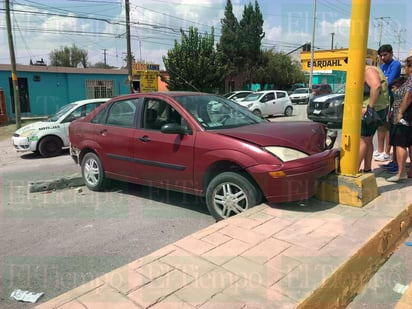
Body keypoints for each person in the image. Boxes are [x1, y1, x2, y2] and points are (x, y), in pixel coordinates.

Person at [359, 65, 390, 172]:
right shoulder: (374, 69)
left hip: (372, 109)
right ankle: (367, 168)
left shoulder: (367, 70)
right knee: (368, 139)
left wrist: (370, 108)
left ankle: (351, 171)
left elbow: (376, 86)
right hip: (380, 108)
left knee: (361, 140)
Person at [373, 44, 402, 162]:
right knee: (381, 124)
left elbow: (388, 82)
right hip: (382, 99)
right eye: (381, 56)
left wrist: (381, 80)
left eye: (385, 55)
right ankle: (380, 150)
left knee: (389, 125)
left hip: (392, 98)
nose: (383, 58)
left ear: (391, 53)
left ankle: (386, 152)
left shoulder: (396, 64)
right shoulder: (382, 66)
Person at [387, 56, 412, 182]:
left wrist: (400, 112)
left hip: (405, 117)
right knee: (410, 143)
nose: (406, 69)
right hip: (409, 117)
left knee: (400, 144)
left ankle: (400, 172)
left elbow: (408, 96)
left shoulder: (411, 81)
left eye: (406, 66)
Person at [384, 76, 407, 173]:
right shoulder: (394, 99)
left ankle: (399, 166)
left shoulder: (404, 100)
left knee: (400, 145)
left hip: (401, 124)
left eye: (394, 88)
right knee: (394, 143)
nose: (392, 91)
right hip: (393, 123)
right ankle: (394, 161)